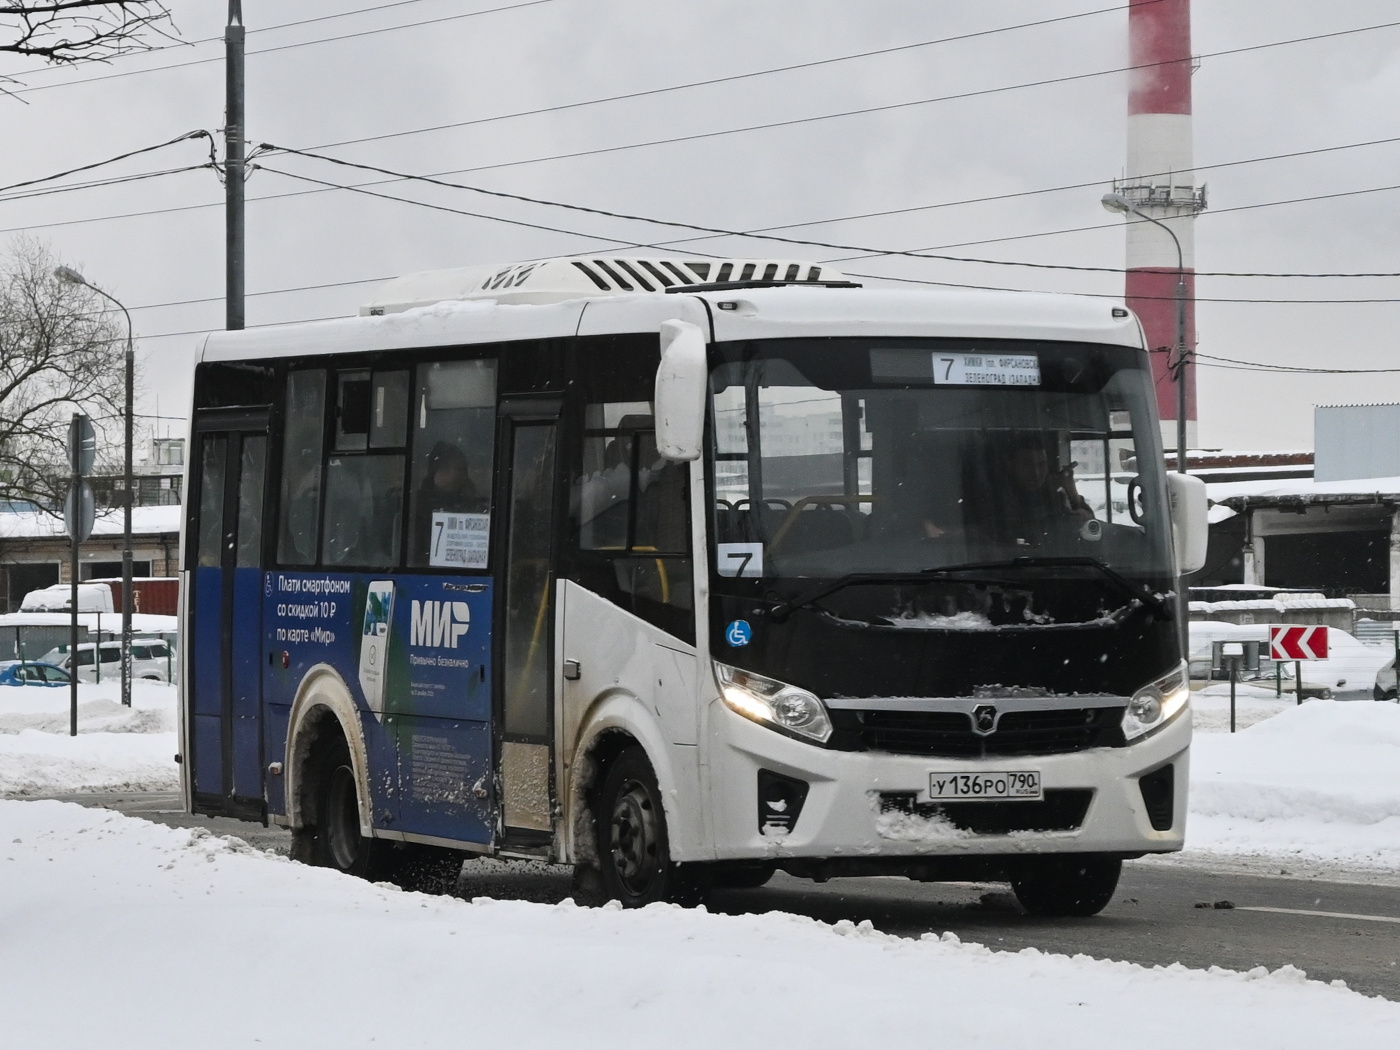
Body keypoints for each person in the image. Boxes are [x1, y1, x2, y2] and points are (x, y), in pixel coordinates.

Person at [412, 441, 483, 563]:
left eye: (459, 469)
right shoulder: (415, 505)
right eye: (446, 468)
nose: (453, 474)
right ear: (434, 471)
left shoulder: (473, 506)